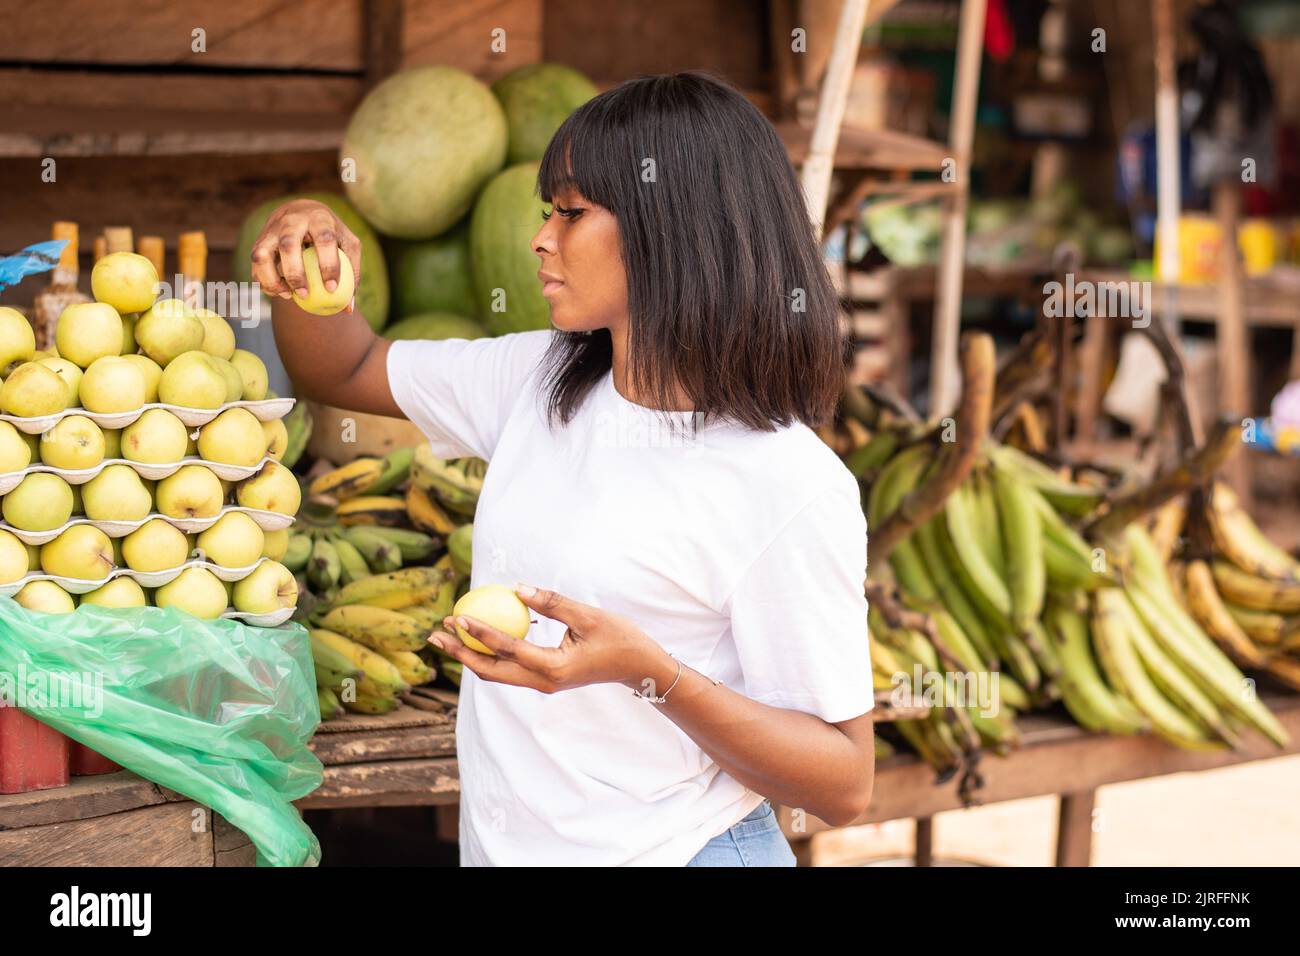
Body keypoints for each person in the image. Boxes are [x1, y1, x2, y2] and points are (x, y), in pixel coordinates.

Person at [253, 71, 874, 867]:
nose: (541, 238)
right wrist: (311, 250)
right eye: (547, 211)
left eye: (572, 213)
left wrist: (648, 673)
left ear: (674, 227)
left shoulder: (785, 482)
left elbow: (845, 783)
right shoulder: (540, 381)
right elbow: (345, 370)